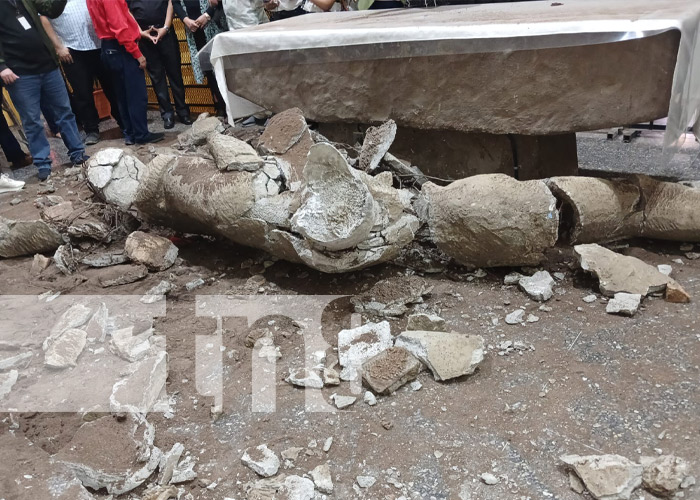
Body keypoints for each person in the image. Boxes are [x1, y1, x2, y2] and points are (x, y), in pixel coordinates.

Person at [0, 0, 88, 181]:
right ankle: (43, 164)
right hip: (19, 72)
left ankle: (78, 153)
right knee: (32, 120)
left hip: (48, 65)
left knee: (65, 112)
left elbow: (51, 10)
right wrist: (1, 66)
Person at [40, 0, 123, 145]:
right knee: (82, 93)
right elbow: (44, 19)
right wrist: (58, 47)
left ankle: (124, 121)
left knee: (113, 86)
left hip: (99, 43)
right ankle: (91, 129)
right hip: (71, 49)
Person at [86, 0, 164, 145]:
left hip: (108, 47)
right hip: (122, 48)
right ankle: (141, 134)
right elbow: (119, 27)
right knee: (136, 95)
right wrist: (137, 53)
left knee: (122, 96)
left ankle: (130, 134)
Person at [128, 0, 192, 129]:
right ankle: (167, 114)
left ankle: (183, 111)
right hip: (144, 36)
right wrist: (140, 32)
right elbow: (127, 11)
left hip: (166, 32)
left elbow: (171, 3)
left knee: (175, 75)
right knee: (157, 78)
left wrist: (166, 28)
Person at [174, 0, 232, 116]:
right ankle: (220, 106)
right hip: (193, 28)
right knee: (208, 69)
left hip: (213, 22)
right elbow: (175, 3)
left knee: (222, 65)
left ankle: (230, 107)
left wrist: (207, 14)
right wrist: (186, 20)